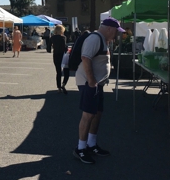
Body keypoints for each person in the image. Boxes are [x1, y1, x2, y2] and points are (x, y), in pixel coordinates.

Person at [73, 17, 124, 164]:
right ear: (109, 29)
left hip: (96, 84)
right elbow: (85, 58)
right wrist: (91, 81)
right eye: (116, 32)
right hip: (89, 83)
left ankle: (91, 144)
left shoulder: (102, 39)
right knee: (88, 115)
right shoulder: (95, 38)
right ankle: (80, 148)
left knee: (97, 113)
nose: (117, 35)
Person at [51, 24, 68, 94]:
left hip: (55, 55)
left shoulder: (52, 38)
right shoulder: (63, 37)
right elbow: (64, 47)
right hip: (62, 55)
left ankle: (59, 87)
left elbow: (48, 48)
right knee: (66, 70)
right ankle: (63, 84)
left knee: (58, 72)